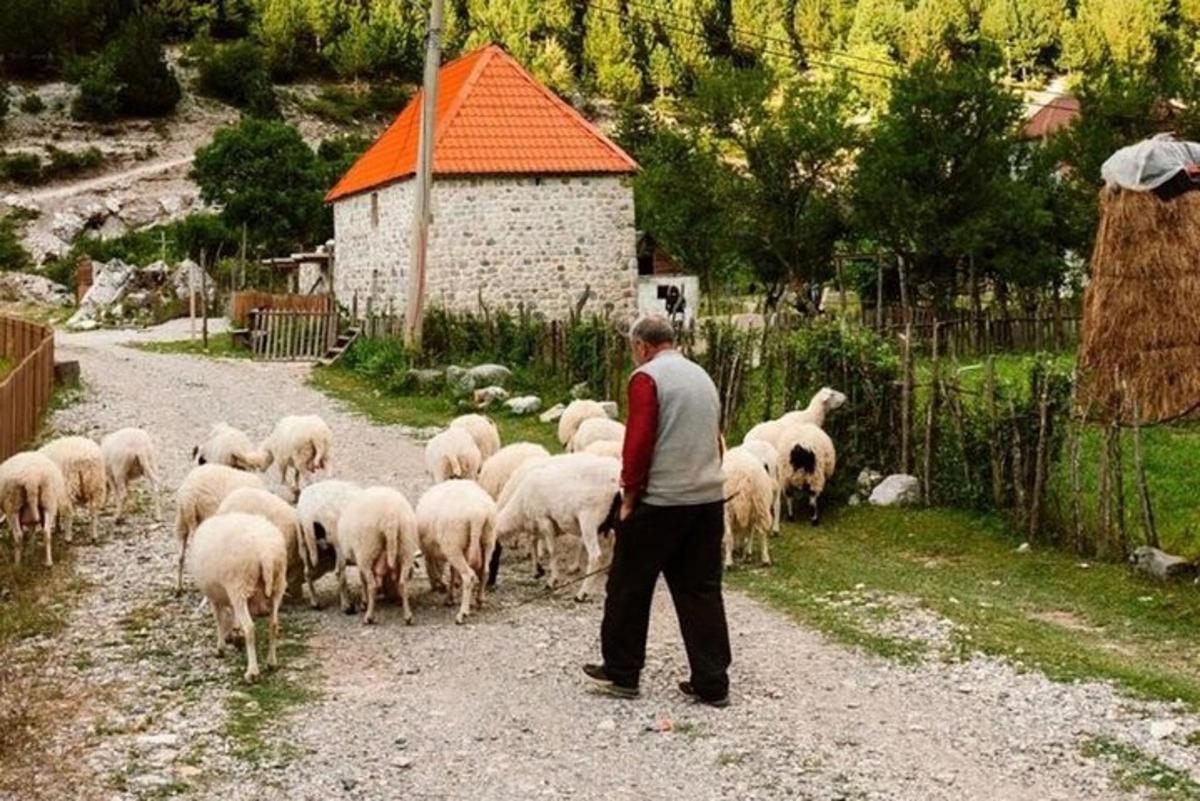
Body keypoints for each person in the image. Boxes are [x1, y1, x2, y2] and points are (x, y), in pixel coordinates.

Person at [583, 314, 732, 706]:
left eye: (634, 349)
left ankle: (622, 671)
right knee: (700, 590)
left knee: (629, 585)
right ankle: (712, 681)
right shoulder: (702, 376)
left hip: (662, 501)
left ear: (642, 346)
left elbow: (639, 440)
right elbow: (717, 438)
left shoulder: (648, 378)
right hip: (706, 500)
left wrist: (630, 497)